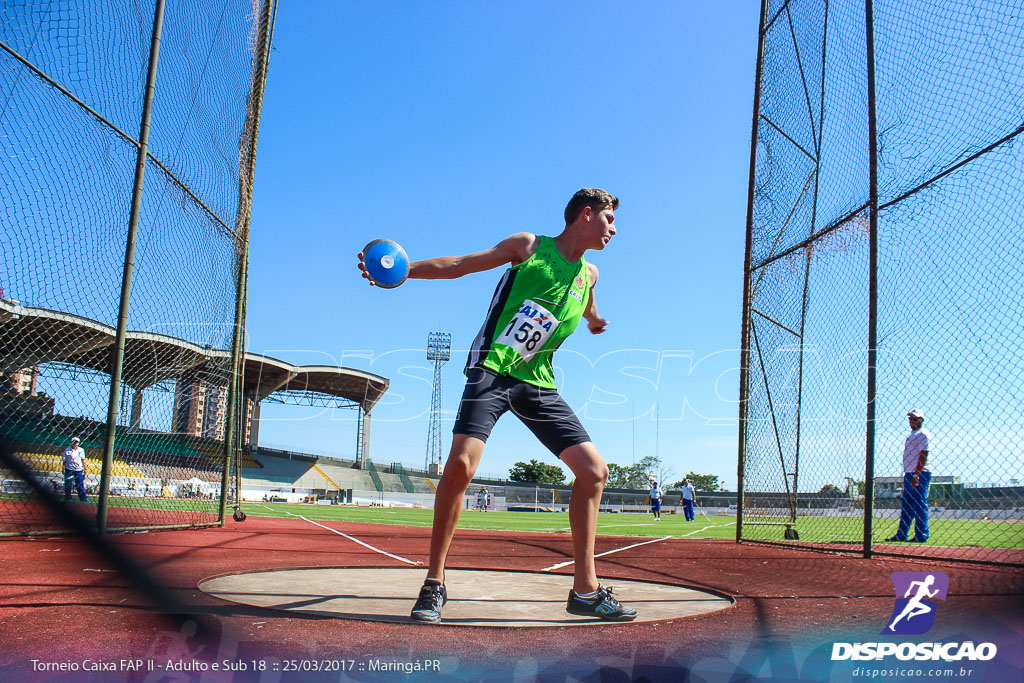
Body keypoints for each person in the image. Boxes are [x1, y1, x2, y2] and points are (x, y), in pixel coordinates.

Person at [358, 188, 636, 624]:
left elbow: (587, 301)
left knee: (594, 472)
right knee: (461, 465)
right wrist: (404, 272)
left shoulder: (591, 274)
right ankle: (434, 583)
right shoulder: (529, 247)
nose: (614, 229)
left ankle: (585, 591)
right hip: (493, 370)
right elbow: (463, 265)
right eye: (610, 220)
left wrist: (595, 319)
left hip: (537, 383)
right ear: (586, 214)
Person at [887, 409, 932, 543]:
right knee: (907, 505)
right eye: (911, 419)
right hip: (909, 472)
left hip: (920, 473)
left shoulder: (923, 434)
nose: (912, 421)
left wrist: (917, 474)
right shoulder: (913, 434)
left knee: (919, 504)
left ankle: (921, 535)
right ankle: (902, 534)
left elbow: (924, 454)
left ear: (921, 420)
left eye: (915, 419)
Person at [62, 436, 89, 502]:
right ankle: (68, 497)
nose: (75, 443)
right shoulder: (67, 450)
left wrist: (85, 468)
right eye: (74, 442)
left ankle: (83, 498)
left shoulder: (81, 450)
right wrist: (63, 468)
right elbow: (64, 461)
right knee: (68, 484)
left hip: (78, 469)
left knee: (80, 483)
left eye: (77, 442)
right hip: (69, 469)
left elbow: (83, 460)